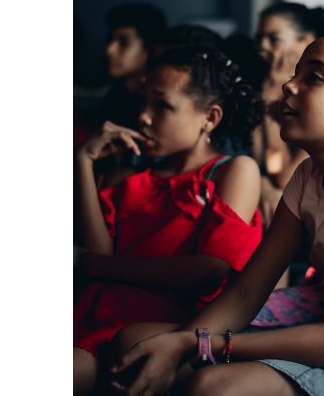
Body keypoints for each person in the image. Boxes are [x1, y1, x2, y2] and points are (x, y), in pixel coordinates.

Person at [108, 30, 324, 396]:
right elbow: (247, 292)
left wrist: (201, 346)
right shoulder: (307, 177)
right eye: (295, 74)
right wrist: (186, 344)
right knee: (136, 341)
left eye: (313, 77)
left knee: (213, 386)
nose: (289, 86)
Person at [73, 45, 266, 395]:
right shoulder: (125, 178)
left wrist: (98, 265)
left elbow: (209, 270)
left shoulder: (232, 171)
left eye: (162, 106)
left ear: (209, 118)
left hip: (163, 321)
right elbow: (98, 251)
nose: (144, 117)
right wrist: (83, 163)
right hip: (90, 310)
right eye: (143, 102)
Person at [254, 2, 324, 228]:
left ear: (305, 40)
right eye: (259, 38)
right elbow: (255, 159)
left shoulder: (316, 96)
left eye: (274, 39)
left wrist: (269, 103)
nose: (262, 46)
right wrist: (259, 182)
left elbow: (281, 175)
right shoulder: (257, 82)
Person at [97, 2, 168, 131]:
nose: (109, 50)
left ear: (150, 48)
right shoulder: (111, 100)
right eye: (109, 40)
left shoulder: (162, 103)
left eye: (124, 43)